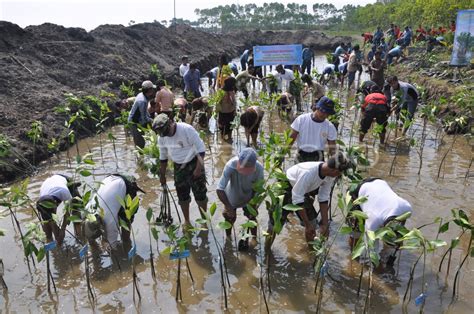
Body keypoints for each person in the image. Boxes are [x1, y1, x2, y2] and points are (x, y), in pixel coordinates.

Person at [266, 152, 354, 248]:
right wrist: (307, 225)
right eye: (339, 173)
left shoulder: (330, 175)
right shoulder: (308, 173)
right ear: (334, 170)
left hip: (301, 191)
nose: (339, 175)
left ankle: (311, 252)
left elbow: (323, 198)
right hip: (285, 186)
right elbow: (297, 199)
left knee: (312, 224)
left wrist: (325, 224)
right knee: (274, 224)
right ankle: (267, 251)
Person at [153, 113, 207, 227]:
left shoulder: (186, 129)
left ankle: (204, 220)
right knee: (182, 196)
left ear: (171, 122)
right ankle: (187, 221)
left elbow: (201, 150)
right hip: (178, 167)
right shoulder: (162, 137)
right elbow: (163, 158)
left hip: (194, 163)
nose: (165, 135)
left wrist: (198, 169)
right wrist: (162, 175)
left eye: (166, 131)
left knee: (200, 195)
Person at [347, 178, 412, 258]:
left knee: (389, 247)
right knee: (355, 234)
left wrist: (399, 241)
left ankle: (386, 253)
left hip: (380, 183)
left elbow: (402, 221)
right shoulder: (372, 222)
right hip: (358, 194)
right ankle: (353, 258)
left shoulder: (407, 208)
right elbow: (372, 252)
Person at [217, 148, 264, 249]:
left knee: (252, 217)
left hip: (249, 197)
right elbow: (220, 189)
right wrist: (228, 207)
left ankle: (254, 238)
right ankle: (228, 239)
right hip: (232, 196)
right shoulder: (230, 165)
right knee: (229, 218)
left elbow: (260, 190)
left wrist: (254, 204)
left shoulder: (259, 168)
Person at [83, 174, 145, 250]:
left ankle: (127, 244)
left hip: (127, 186)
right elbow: (89, 236)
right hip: (109, 180)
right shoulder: (87, 210)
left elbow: (112, 248)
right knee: (114, 210)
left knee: (126, 219)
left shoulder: (110, 221)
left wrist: (108, 246)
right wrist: (94, 245)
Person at [36, 174, 81, 245]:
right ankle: (50, 242)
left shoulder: (64, 192)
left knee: (76, 211)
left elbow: (67, 212)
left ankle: (79, 237)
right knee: (47, 221)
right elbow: (47, 220)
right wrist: (55, 234)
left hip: (65, 182)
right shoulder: (42, 203)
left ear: (55, 204)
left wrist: (63, 229)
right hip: (50, 184)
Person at [290, 96, 337, 162]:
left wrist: (335, 162)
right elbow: (291, 139)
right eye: (323, 112)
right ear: (317, 108)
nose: (325, 115)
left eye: (327, 113)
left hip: (319, 156)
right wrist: (282, 154)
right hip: (301, 154)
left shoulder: (330, 127)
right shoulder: (301, 120)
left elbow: (332, 149)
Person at [128, 80, 156, 148]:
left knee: (142, 141)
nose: (153, 91)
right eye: (152, 89)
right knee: (140, 144)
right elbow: (144, 118)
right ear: (149, 90)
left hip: (137, 120)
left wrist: (150, 118)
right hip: (134, 123)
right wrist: (152, 121)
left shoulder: (142, 95)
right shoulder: (142, 101)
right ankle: (140, 158)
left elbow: (145, 112)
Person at [217, 77, 237, 142]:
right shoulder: (221, 91)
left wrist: (235, 110)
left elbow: (234, 102)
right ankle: (223, 140)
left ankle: (229, 139)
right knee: (222, 128)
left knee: (230, 127)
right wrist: (216, 111)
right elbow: (218, 102)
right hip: (223, 112)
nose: (234, 85)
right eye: (233, 84)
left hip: (231, 111)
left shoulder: (232, 92)